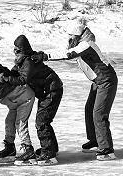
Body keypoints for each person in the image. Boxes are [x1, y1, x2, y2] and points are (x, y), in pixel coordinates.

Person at [39, 18, 118, 160]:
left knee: (99, 114)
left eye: (71, 36)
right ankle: (95, 141)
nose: (69, 38)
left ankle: (107, 150)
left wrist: (45, 56)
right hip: (98, 81)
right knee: (89, 109)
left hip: (106, 81)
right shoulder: (80, 44)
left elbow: (69, 54)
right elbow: (67, 51)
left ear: (77, 35)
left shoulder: (86, 44)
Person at [4, 34, 63, 166]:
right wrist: (4, 74)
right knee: (44, 120)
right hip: (46, 91)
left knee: (42, 121)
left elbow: (22, 79)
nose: (15, 52)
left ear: (23, 50)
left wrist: (6, 79)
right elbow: (15, 73)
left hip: (52, 90)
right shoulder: (22, 61)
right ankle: (51, 148)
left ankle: (49, 154)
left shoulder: (28, 61)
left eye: (17, 50)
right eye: (14, 50)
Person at [0, 60, 35, 164]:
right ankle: (10, 148)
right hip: (15, 103)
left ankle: (28, 150)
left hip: (25, 100)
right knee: (9, 121)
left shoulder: (4, 80)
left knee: (20, 123)